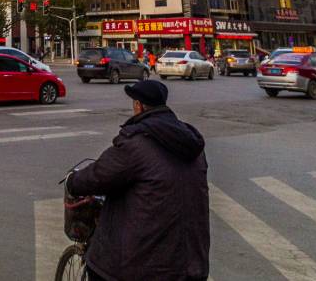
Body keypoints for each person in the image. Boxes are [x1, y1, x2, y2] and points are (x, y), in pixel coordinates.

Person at [66, 79, 209, 281]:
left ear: (138, 106)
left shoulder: (136, 143)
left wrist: (72, 181)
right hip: (192, 263)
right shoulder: (192, 144)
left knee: (98, 265)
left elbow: (98, 176)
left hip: (146, 267)